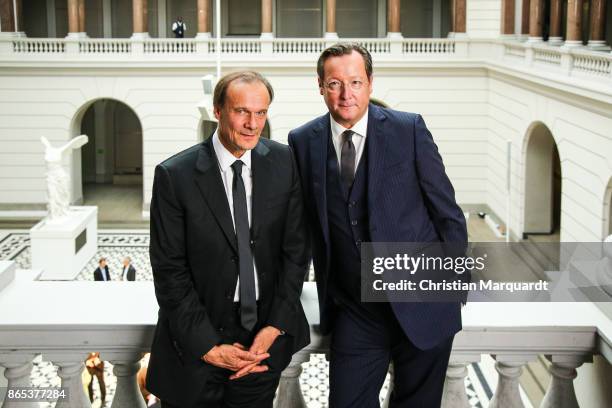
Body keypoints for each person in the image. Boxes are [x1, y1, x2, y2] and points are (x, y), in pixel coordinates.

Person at [288, 43, 468, 407]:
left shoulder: (409, 129)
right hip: (355, 310)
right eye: (335, 83)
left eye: (355, 82)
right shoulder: (302, 141)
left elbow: (447, 214)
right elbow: (301, 230)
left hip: (424, 301)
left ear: (370, 83)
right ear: (320, 86)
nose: (346, 93)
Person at [146, 70, 310, 408]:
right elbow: (169, 270)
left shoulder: (286, 163)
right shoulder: (174, 176)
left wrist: (275, 326)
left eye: (261, 113)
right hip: (194, 347)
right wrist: (208, 346)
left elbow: (296, 252)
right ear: (217, 111)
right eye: (242, 111)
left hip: (261, 345)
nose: (253, 124)